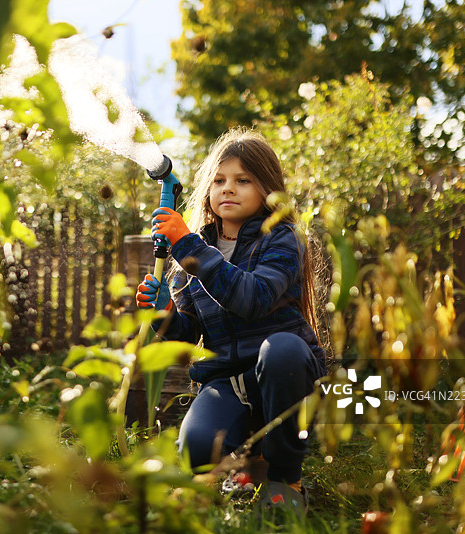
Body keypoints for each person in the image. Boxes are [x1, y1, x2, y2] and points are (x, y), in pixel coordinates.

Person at [135, 128, 326, 511]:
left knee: (282, 351)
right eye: (219, 180)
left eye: (243, 180)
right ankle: (247, 466)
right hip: (227, 380)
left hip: (283, 376)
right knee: (197, 450)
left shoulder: (281, 239)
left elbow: (252, 298)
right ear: (207, 189)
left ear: (267, 190)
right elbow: (187, 338)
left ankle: (286, 479)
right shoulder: (192, 255)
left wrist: (190, 247)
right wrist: (162, 313)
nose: (229, 189)